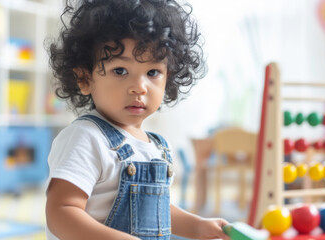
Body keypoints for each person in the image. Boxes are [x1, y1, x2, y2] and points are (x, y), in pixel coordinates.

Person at [45, 0, 230, 239]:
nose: (139, 87)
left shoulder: (158, 147)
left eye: (153, 72)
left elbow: (155, 213)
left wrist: (196, 226)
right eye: (120, 71)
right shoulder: (85, 138)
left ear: (168, 78)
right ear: (84, 78)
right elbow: (61, 212)